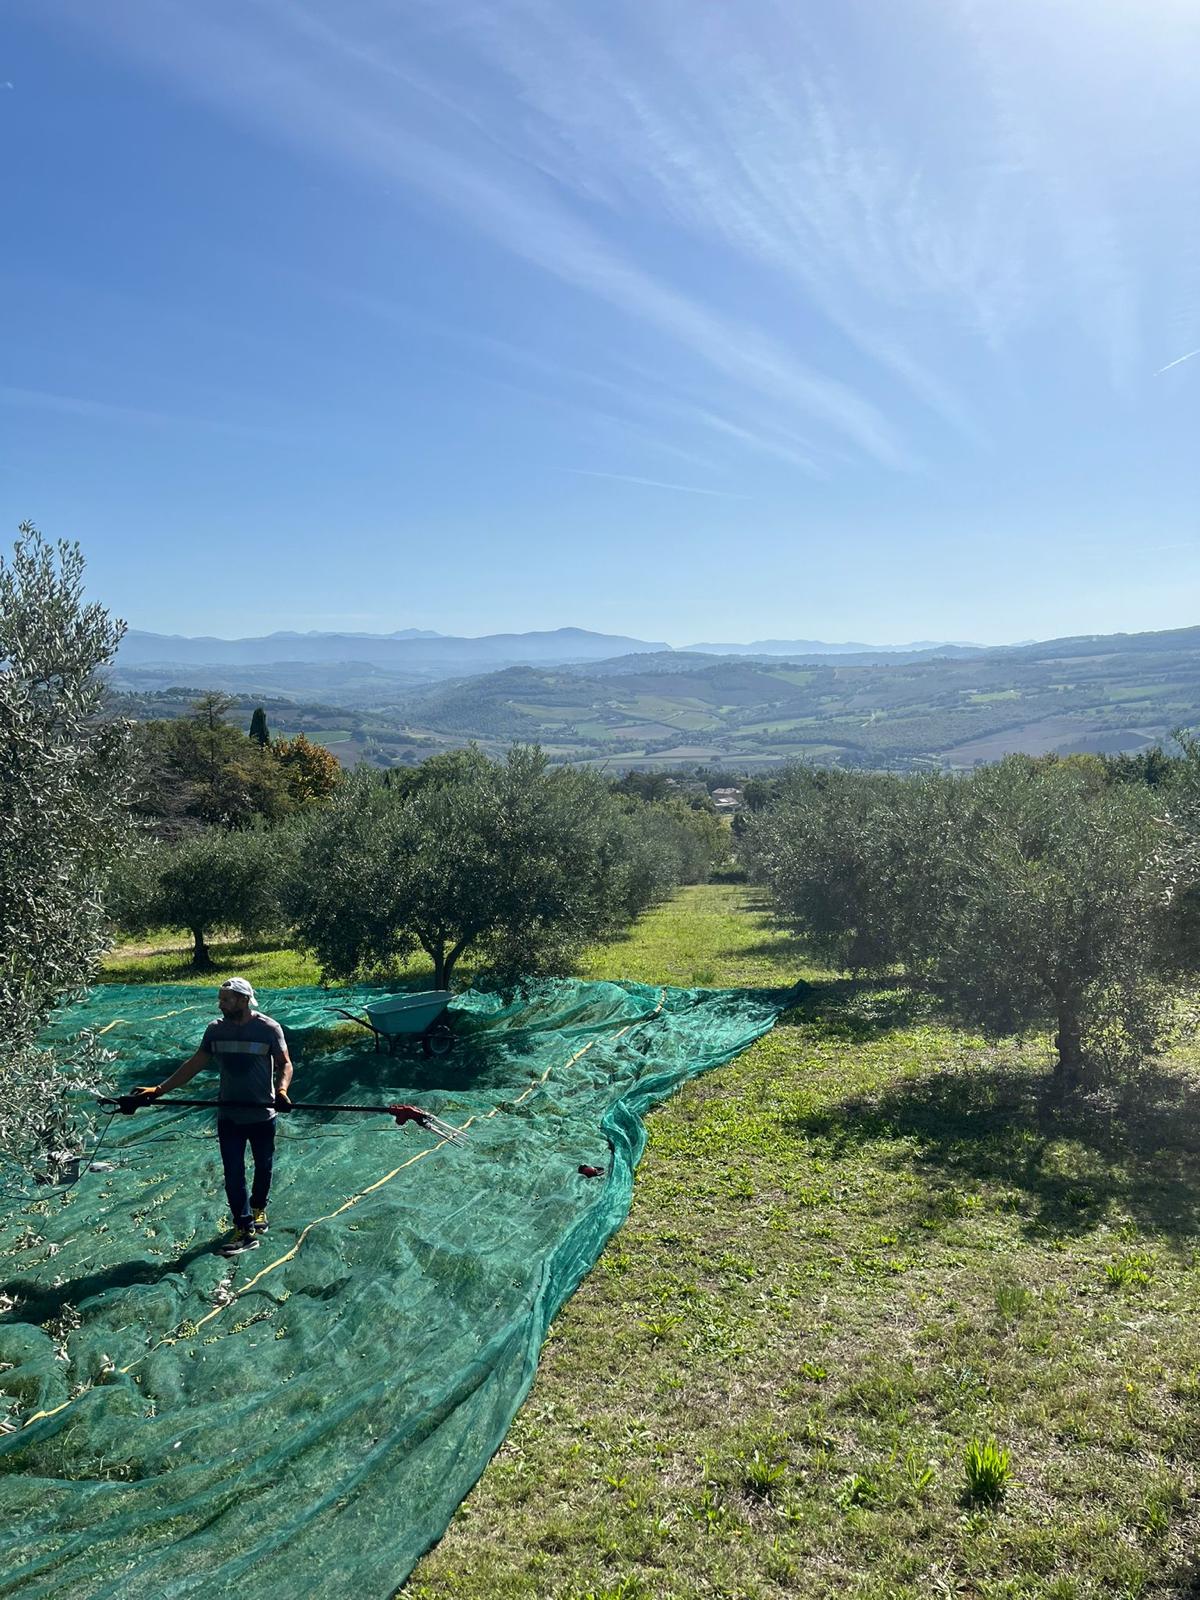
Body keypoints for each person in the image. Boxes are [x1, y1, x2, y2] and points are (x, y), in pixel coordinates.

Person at [130, 977, 294, 1256]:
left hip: (261, 1114)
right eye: (220, 999)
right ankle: (244, 1228)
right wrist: (159, 1090)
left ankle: (258, 1208)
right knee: (233, 1173)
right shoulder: (215, 1031)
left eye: (226, 1000)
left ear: (244, 1000)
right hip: (228, 1114)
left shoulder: (268, 1028)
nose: (220, 1005)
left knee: (263, 1166)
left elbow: (285, 1064)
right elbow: (194, 1064)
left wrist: (281, 1091)